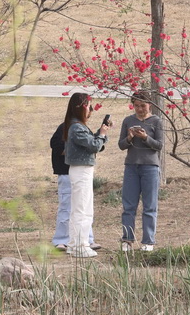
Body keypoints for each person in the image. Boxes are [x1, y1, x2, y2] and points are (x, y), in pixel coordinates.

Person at [63, 92, 111, 258]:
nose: (90, 110)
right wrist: (102, 134)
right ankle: (80, 245)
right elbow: (94, 146)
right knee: (82, 209)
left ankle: (73, 244)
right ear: (81, 107)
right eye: (89, 106)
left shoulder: (76, 126)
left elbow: (94, 144)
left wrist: (101, 133)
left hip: (82, 169)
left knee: (81, 208)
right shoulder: (76, 127)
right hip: (81, 170)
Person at [118, 90, 163, 252]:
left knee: (149, 205)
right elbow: (121, 145)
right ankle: (127, 240)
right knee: (129, 206)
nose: (139, 109)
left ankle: (148, 242)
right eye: (136, 106)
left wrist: (145, 138)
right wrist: (130, 137)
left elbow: (159, 145)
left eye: (143, 106)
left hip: (150, 167)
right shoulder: (128, 120)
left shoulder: (156, 121)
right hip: (131, 166)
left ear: (149, 105)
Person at [50, 122, 98, 252]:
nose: (88, 114)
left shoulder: (84, 128)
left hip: (82, 172)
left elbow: (93, 145)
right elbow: (55, 145)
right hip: (66, 172)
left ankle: (87, 239)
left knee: (83, 206)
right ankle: (62, 240)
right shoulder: (65, 127)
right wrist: (73, 153)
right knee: (66, 206)